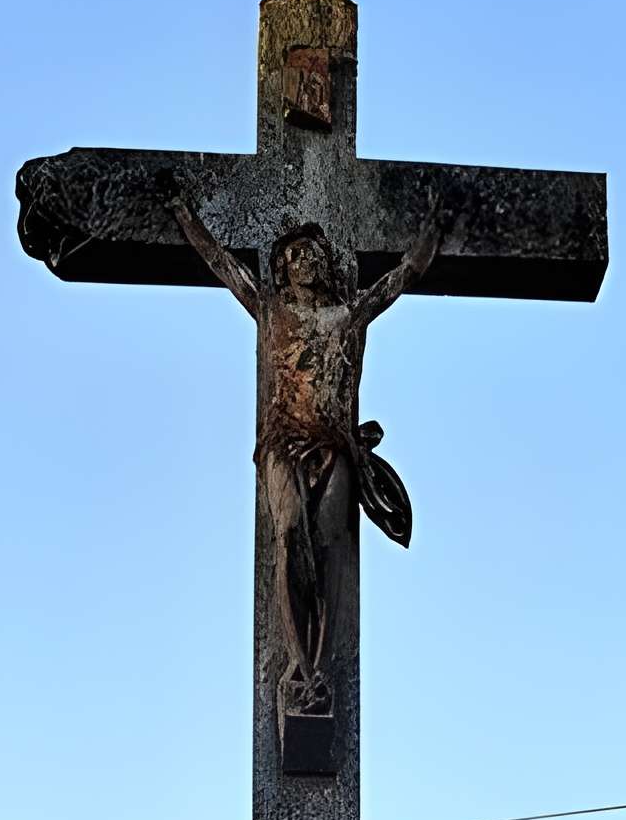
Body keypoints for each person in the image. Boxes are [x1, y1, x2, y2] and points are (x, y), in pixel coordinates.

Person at [170, 191, 443, 719]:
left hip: (333, 447)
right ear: (281, 269)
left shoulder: (348, 316)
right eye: (295, 255)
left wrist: (431, 231)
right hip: (283, 448)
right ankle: (299, 664)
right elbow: (221, 262)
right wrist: (185, 215)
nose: (306, 261)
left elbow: (401, 279)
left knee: (332, 541)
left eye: (313, 253)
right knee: (291, 533)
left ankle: (319, 661)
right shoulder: (270, 311)